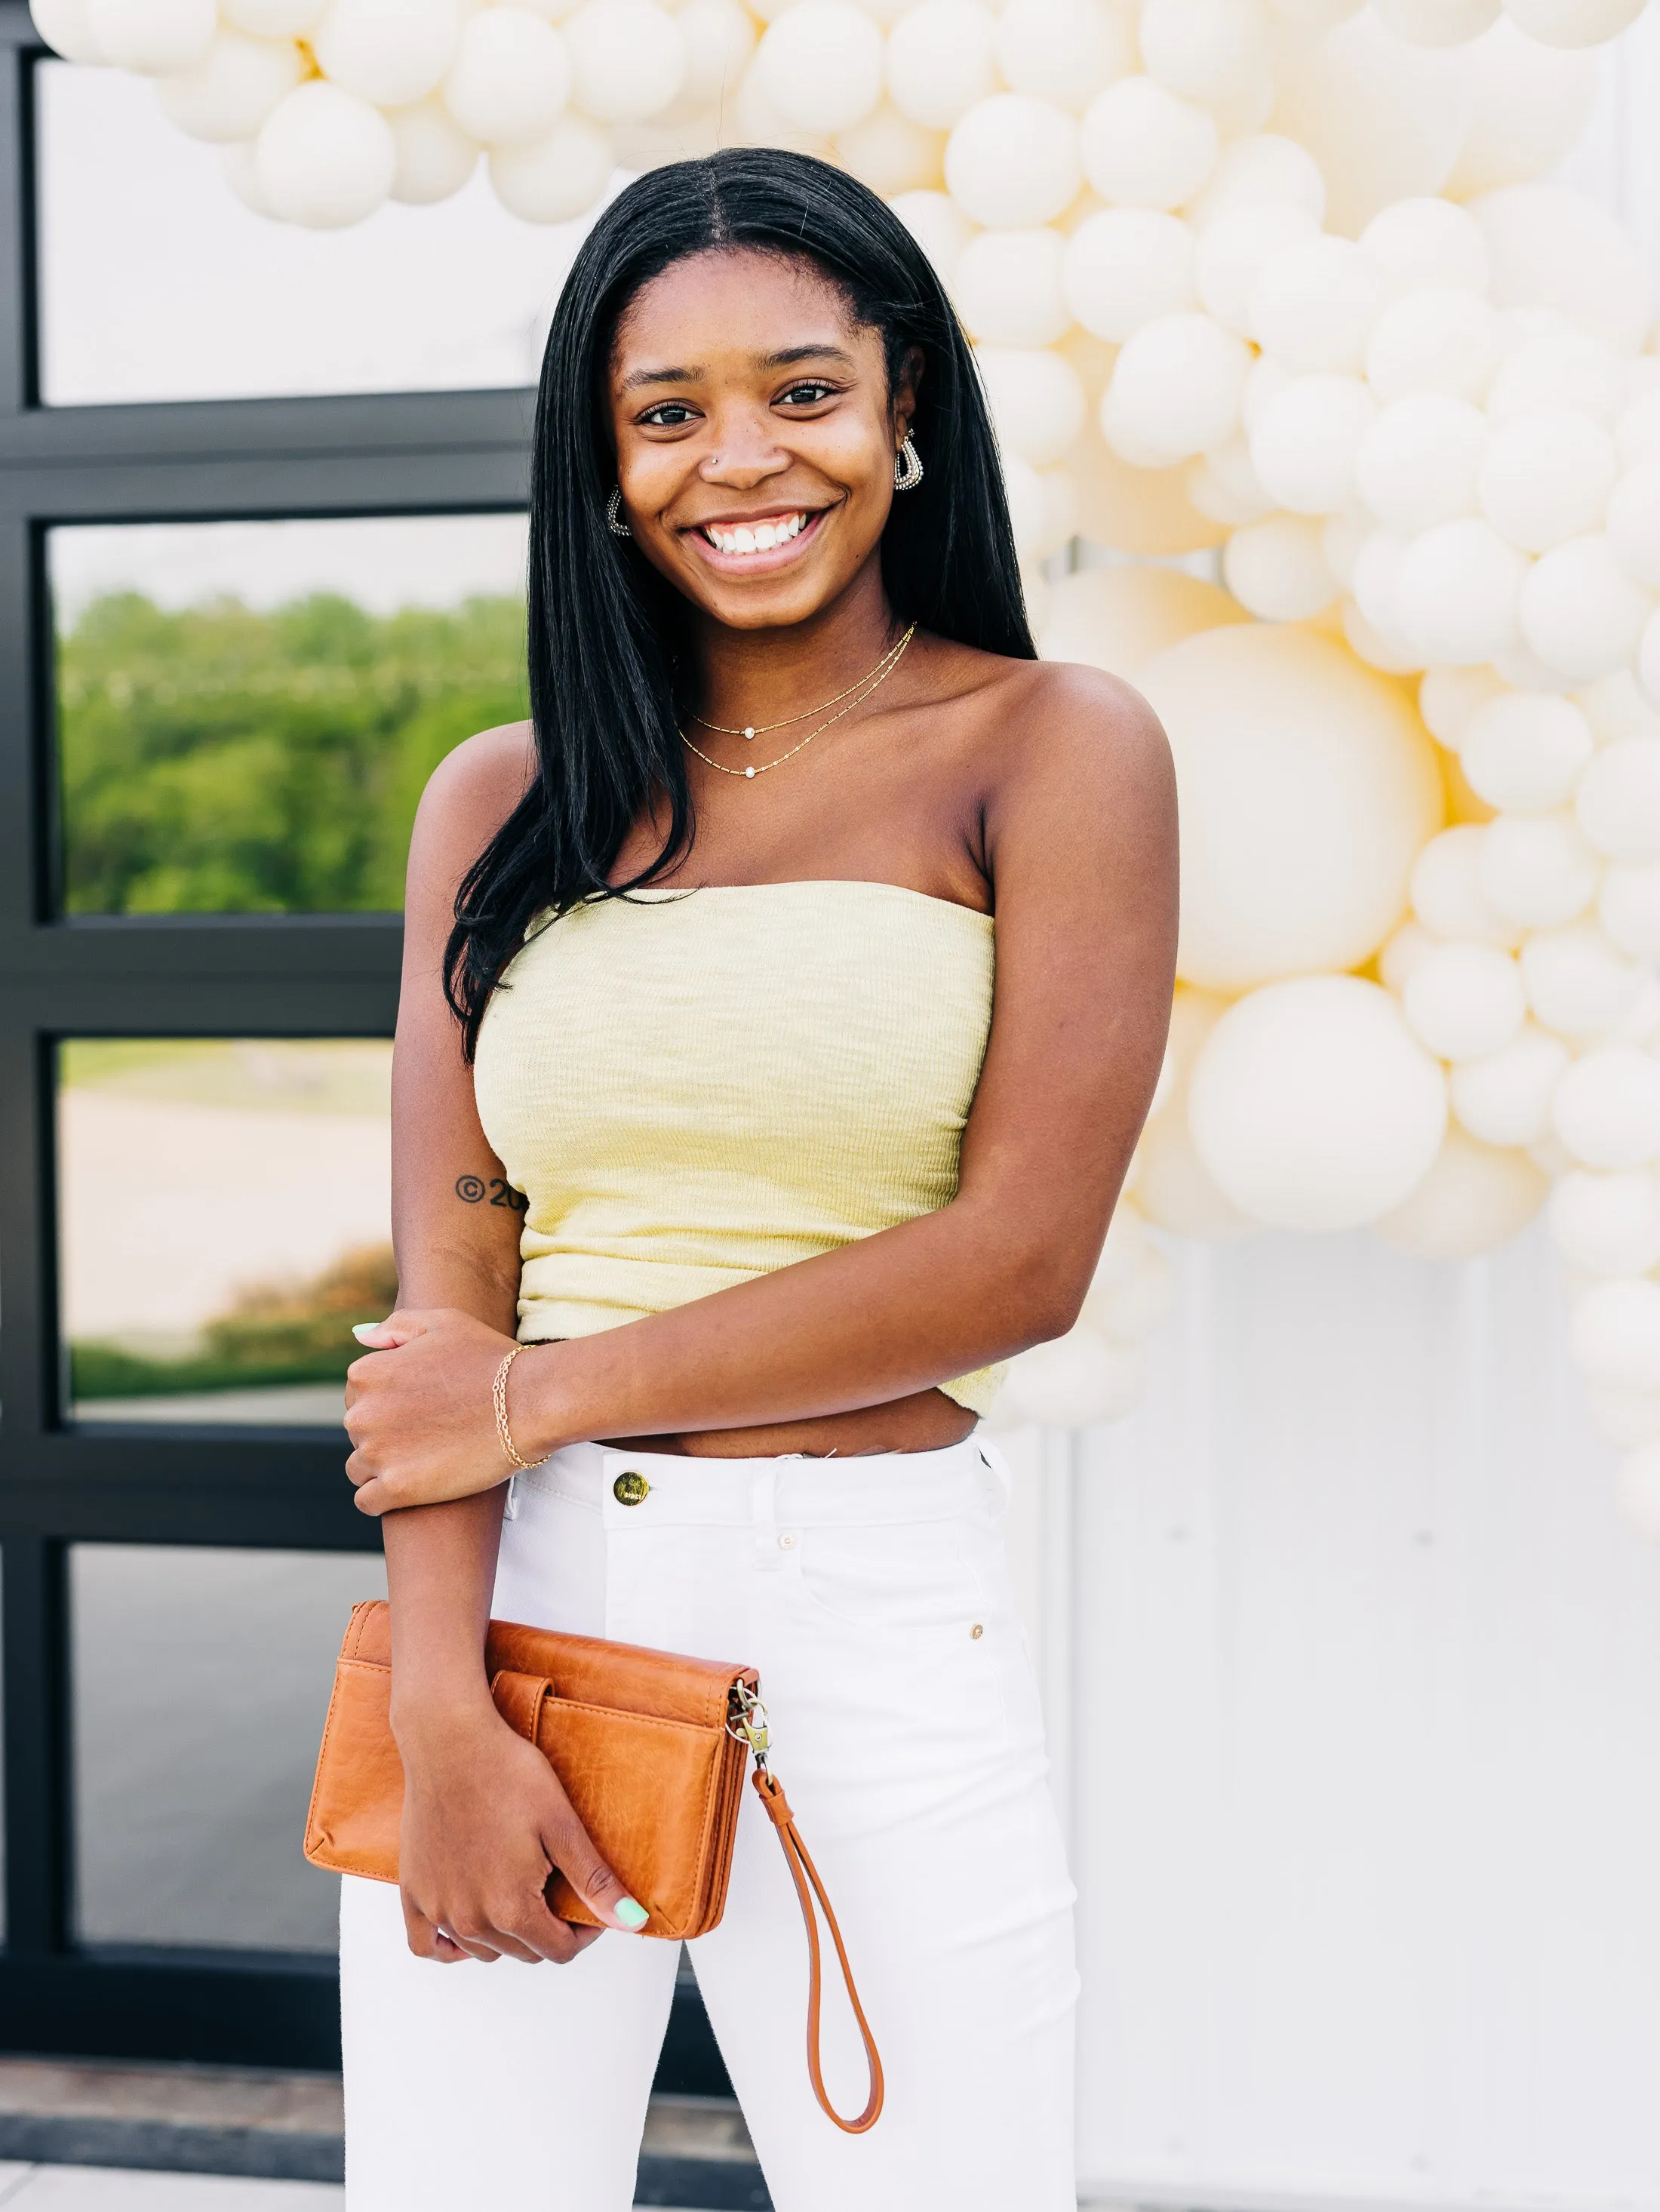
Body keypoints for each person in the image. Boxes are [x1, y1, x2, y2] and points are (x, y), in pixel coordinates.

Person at [338, 146, 1177, 2212]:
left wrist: (549, 1394)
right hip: (517, 1610)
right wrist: (441, 1707)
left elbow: (1019, 1259)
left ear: (905, 404)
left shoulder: (1054, 746)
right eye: (668, 413)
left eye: (802, 390)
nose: (743, 460)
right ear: (602, 460)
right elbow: (455, 1303)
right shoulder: (503, 795)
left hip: (864, 1610)